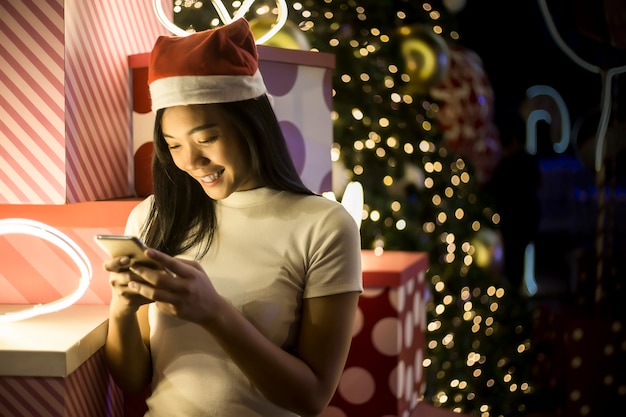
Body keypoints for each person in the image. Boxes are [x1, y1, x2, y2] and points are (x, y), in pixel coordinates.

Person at [103, 18, 363, 417]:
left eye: (207, 139)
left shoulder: (324, 225)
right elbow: (132, 379)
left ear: (251, 127)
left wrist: (214, 313)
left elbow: (311, 398)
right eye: (174, 145)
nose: (191, 161)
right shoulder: (152, 218)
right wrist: (122, 308)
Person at [486, 110, 542, 295]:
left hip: (512, 222)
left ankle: (510, 302)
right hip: (521, 222)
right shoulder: (526, 161)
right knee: (514, 267)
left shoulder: (508, 165)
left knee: (510, 267)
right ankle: (513, 300)